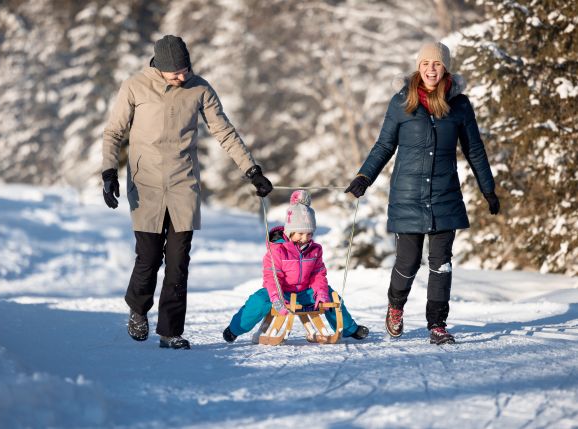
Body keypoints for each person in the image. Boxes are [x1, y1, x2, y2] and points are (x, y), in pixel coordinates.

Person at [102, 35, 273, 349]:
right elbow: (114, 132)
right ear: (161, 68)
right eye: (176, 72)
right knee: (149, 258)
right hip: (146, 184)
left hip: (183, 184)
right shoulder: (135, 86)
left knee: (178, 261)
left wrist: (252, 170)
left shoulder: (200, 88)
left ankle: (170, 331)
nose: (183, 76)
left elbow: (224, 130)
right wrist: (109, 171)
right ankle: (138, 309)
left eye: (186, 69)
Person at [345, 42, 499, 345]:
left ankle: (437, 324)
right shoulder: (401, 102)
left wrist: (488, 189)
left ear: (446, 68)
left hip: (445, 196)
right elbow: (384, 146)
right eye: (426, 63)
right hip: (407, 195)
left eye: (437, 64)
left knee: (441, 263)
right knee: (408, 262)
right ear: (419, 66)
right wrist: (364, 176)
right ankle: (396, 307)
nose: (431, 69)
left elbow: (474, 150)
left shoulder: (460, 105)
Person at [222, 190, 369, 343]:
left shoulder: (315, 250)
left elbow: (318, 274)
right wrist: (276, 298)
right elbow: (272, 277)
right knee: (258, 301)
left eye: (309, 234)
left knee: (332, 297)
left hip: (305, 292)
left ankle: (349, 328)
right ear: (289, 231)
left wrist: (320, 292)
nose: (305, 239)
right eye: (300, 233)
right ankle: (234, 329)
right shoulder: (277, 251)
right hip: (281, 292)